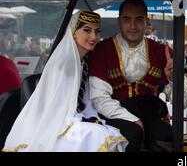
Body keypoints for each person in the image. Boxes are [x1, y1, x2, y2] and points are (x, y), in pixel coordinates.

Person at [3, 11, 127, 152]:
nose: (94, 36)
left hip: (73, 117)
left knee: (108, 131)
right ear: (74, 32)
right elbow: (57, 109)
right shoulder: (64, 64)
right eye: (87, 30)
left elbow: (84, 101)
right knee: (102, 134)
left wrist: (91, 117)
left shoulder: (83, 62)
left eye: (97, 31)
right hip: (54, 123)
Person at [88, 0, 187, 152]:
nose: (133, 26)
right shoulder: (102, 50)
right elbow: (99, 98)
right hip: (113, 115)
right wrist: (133, 120)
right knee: (131, 134)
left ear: (147, 22)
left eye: (138, 20)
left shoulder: (163, 52)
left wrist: (173, 79)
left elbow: (183, 103)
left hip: (152, 116)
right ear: (119, 21)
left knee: (165, 134)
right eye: (127, 19)